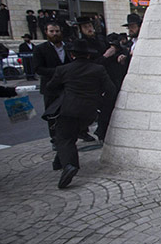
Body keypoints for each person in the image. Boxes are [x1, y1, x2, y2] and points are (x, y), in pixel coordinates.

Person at [47, 39, 115, 188]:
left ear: (72, 55)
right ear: (88, 55)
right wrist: (99, 102)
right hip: (89, 112)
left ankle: (70, 166)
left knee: (65, 138)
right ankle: (59, 161)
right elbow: (110, 89)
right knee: (68, 135)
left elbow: (50, 88)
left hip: (69, 110)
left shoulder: (63, 70)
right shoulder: (98, 70)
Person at [33, 21, 72, 148]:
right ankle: (55, 139)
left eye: (57, 31)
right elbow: (38, 68)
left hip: (68, 86)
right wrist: (59, 72)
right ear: (46, 33)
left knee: (69, 113)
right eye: (52, 31)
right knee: (52, 114)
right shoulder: (40, 49)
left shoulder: (68, 47)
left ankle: (71, 136)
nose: (55, 34)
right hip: (51, 87)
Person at [95, 33, 129, 141]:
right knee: (105, 111)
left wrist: (123, 60)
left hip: (118, 83)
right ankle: (102, 132)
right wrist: (106, 56)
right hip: (105, 85)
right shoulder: (103, 53)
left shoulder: (122, 52)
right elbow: (96, 65)